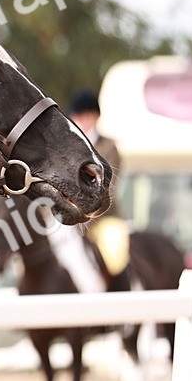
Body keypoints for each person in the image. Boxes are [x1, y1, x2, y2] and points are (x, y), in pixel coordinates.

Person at [68, 88, 129, 281]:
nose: (83, 120)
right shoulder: (67, 148)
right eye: (78, 115)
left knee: (115, 257)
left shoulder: (108, 147)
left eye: (87, 115)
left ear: (95, 116)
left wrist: (83, 211)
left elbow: (108, 186)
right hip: (70, 220)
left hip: (104, 218)